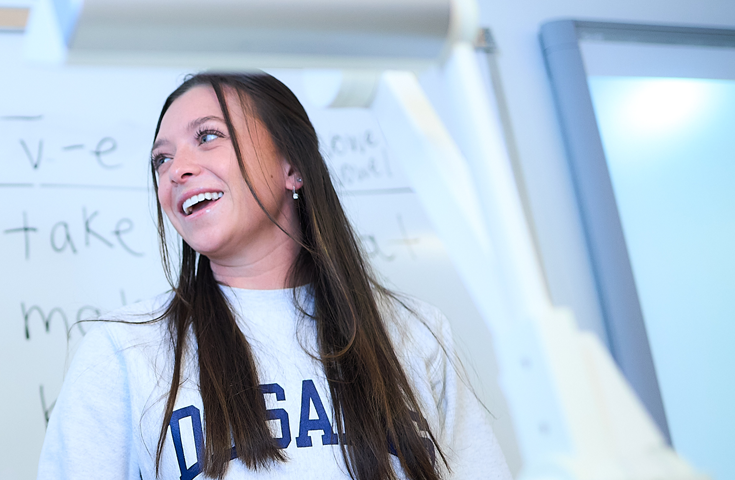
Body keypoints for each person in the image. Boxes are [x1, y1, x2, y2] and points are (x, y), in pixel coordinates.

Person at [38, 72, 510, 480]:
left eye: (207, 136)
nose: (176, 170)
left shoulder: (413, 332)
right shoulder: (123, 351)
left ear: (293, 167)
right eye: (161, 159)